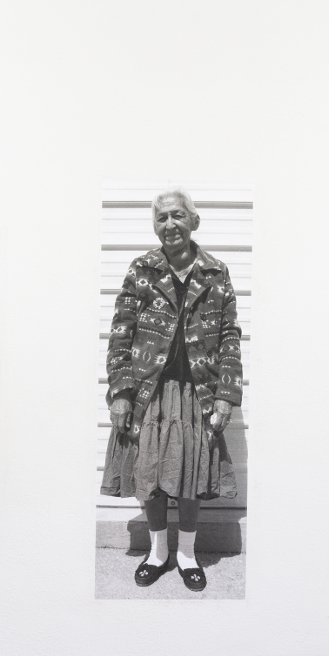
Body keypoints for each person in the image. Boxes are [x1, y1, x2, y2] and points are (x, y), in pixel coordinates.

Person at [102, 189, 242, 593]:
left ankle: (186, 555)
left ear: (194, 221)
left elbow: (230, 335)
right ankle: (158, 552)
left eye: (177, 216)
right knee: (151, 473)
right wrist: (122, 391)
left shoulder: (216, 271)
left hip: (197, 390)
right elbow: (121, 332)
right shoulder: (142, 268)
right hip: (150, 390)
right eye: (161, 218)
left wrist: (225, 394)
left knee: (192, 473)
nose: (169, 225)